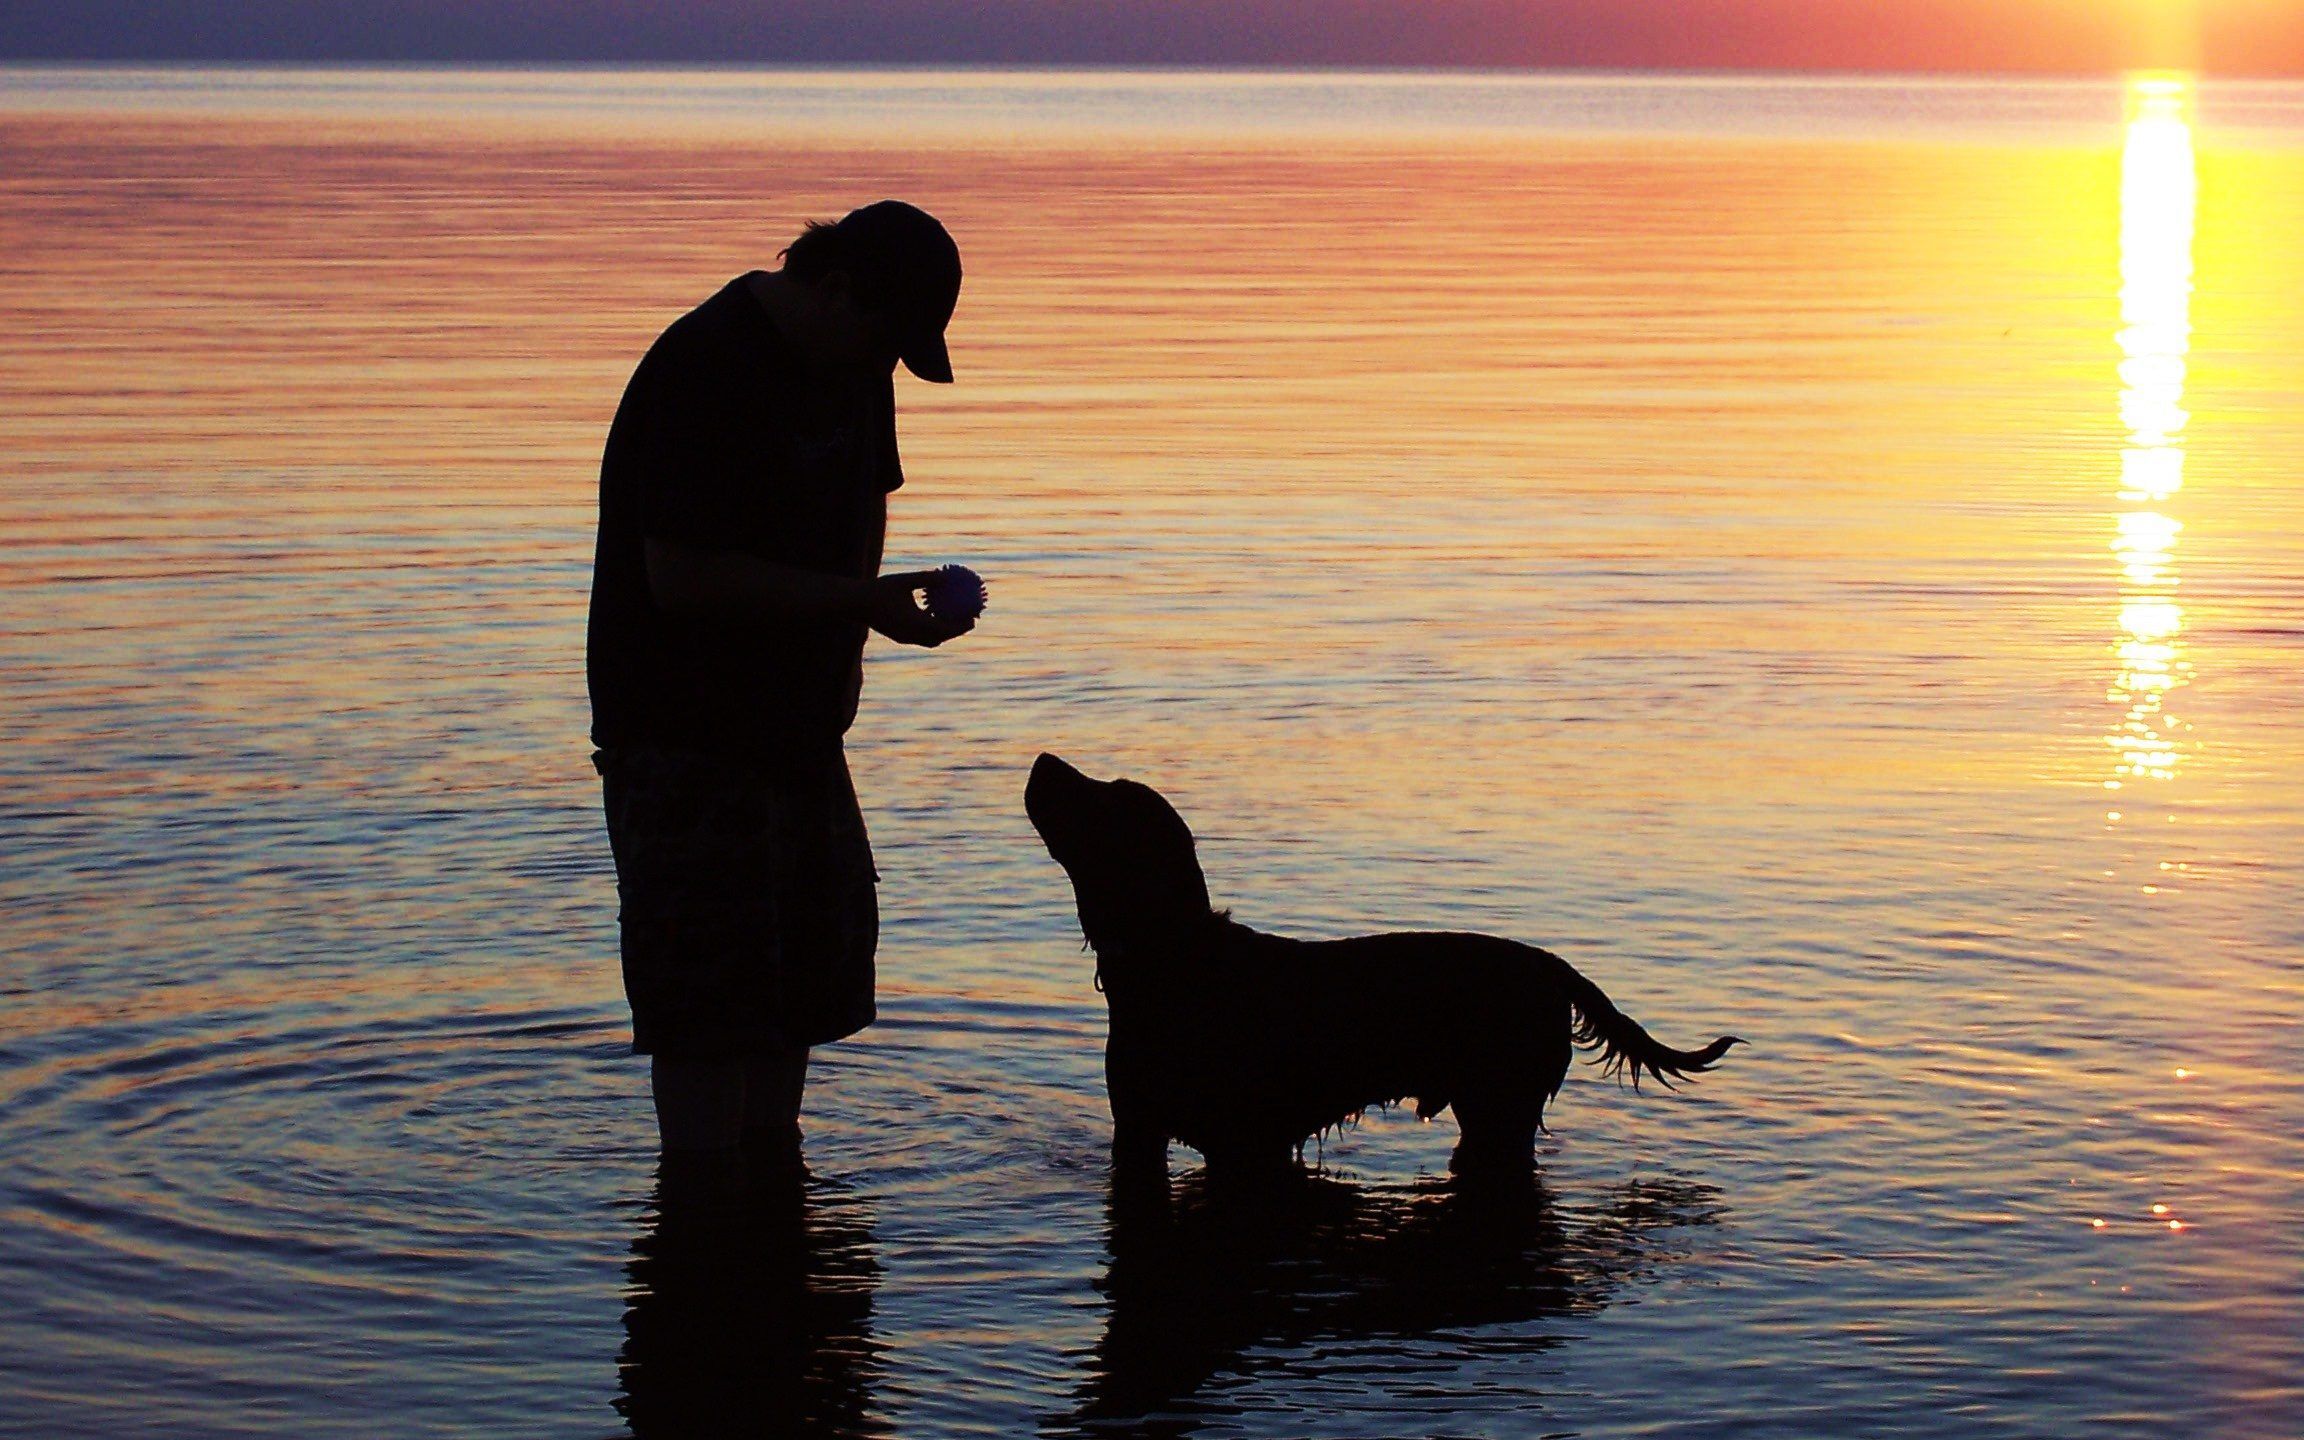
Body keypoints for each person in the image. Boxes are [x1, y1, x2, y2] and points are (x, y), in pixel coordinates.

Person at [587, 200, 971, 1169]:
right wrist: (858, 602)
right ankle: (698, 1213)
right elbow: (680, 577)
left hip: (802, 735)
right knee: (707, 1012)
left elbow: (866, 503)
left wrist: (860, 635)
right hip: (684, 740)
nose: (886, 370)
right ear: (835, 290)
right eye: (885, 343)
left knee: (803, 994)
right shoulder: (705, 368)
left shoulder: (857, 370)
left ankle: (773, 1199)